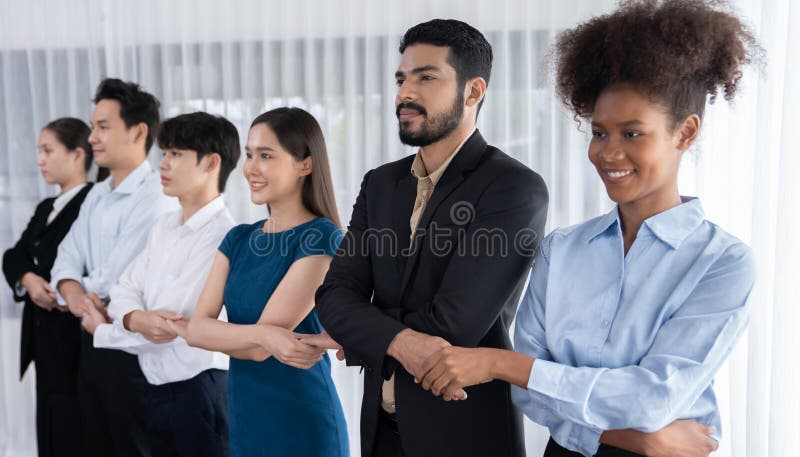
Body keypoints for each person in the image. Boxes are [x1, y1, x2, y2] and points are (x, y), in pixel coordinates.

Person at [415, 1, 761, 456]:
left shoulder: (722, 262)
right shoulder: (562, 249)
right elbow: (528, 396)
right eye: (599, 132)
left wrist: (501, 363)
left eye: (632, 133)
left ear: (685, 133)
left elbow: (652, 398)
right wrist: (635, 438)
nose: (608, 153)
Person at [306, 19, 548, 457]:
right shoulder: (380, 184)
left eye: (426, 77)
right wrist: (392, 337)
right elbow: (334, 296)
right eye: (401, 79)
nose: (404, 93)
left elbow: (455, 323)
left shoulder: (513, 187)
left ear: (473, 92)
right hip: (380, 434)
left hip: (462, 433)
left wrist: (365, 330)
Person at [177, 107, 349, 457]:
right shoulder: (238, 239)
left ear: (305, 164)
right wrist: (263, 333)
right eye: (250, 155)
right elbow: (197, 330)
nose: (251, 168)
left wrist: (240, 336)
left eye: (266, 156)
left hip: (301, 420)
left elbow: (254, 350)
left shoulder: (320, 237)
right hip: (245, 418)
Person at [80, 112, 241, 457]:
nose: (162, 165)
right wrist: (136, 318)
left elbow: (173, 323)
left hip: (200, 392)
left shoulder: (223, 236)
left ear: (211, 163)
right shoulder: (165, 226)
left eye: (175, 155)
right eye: (164, 153)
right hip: (157, 390)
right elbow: (125, 289)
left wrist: (103, 330)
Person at [50, 78, 177, 457]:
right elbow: (65, 259)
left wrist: (78, 290)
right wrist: (76, 297)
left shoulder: (155, 195)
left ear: (138, 131)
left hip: (132, 347)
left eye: (103, 126)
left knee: (134, 447)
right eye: (93, 127)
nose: (92, 138)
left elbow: (119, 278)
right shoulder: (97, 196)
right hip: (92, 335)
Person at [2, 118, 97, 457]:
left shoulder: (93, 203)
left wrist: (58, 287)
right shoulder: (47, 207)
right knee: (50, 430)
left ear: (77, 154)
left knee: (75, 431)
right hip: (44, 339)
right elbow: (14, 255)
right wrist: (28, 279)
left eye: (47, 150)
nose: (40, 160)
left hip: (75, 338)